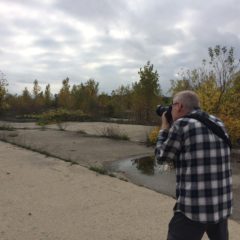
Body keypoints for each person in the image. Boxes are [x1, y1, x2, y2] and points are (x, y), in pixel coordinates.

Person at [155, 90, 233, 240]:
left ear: (178, 106)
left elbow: (162, 157)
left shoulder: (182, 124)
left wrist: (164, 126)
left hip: (194, 209)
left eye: (171, 106)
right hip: (221, 205)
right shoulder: (217, 122)